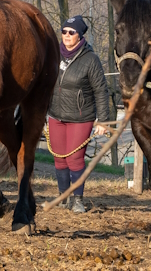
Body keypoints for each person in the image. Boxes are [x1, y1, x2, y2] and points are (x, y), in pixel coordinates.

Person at [48, 15, 113, 213]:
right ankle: (63, 196)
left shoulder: (90, 59)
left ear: (80, 35)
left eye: (71, 32)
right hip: (55, 115)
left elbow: (101, 91)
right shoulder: (53, 54)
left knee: (74, 159)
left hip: (80, 117)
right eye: (64, 31)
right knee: (59, 158)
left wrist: (103, 120)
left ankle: (77, 199)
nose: (66, 35)